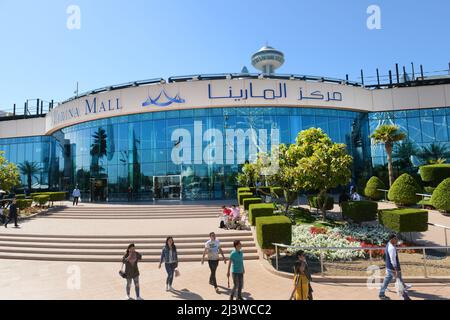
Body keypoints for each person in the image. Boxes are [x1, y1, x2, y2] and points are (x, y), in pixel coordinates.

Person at [379, 234, 412, 300]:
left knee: (386, 281)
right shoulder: (392, 248)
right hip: (393, 269)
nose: (396, 239)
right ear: (391, 240)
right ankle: (405, 297)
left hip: (389, 267)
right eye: (395, 238)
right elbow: (393, 260)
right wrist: (396, 270)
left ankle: (381, 294)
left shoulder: (388, 244)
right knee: (399, 282)